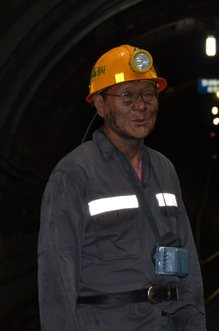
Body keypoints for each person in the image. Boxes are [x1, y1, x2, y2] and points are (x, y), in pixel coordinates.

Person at [38, 45, 206, 330]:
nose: (141, 105)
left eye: (148, 94)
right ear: (101, 105)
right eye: (127, 95)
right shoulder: (74, 174)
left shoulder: (164, 169)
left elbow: (186, 254)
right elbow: (56, 276)